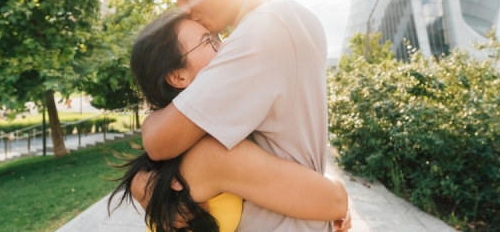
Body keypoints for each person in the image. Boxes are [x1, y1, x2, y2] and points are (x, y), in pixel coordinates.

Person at [135, 0, 348, 231]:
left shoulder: (266, 29)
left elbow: (160, 141)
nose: (183, 8)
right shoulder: (281, 23)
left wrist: (146, 182)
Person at [108, 12, 350, 232]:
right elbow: (334, 200)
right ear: (177, 76)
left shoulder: (185, 148)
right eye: (209, 42)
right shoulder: (214, 153)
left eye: (220, 37)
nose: (225, 48)